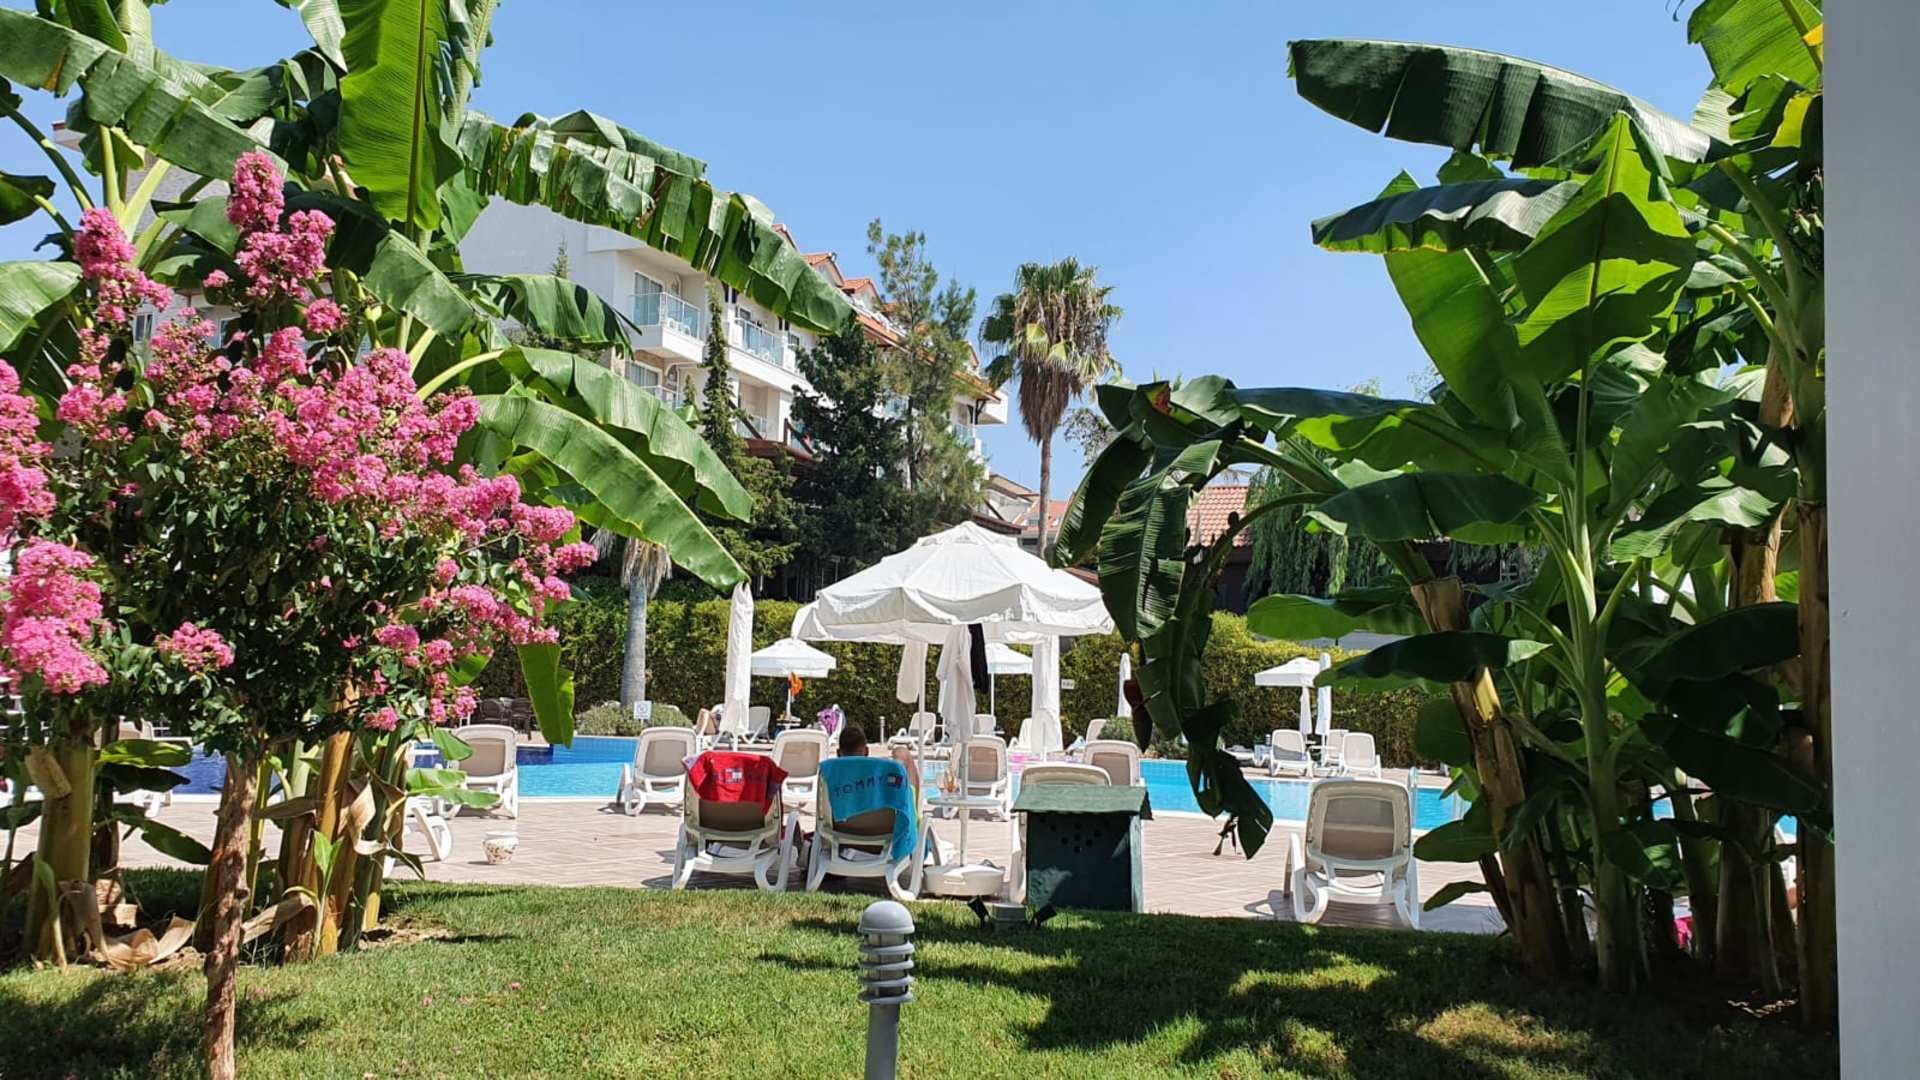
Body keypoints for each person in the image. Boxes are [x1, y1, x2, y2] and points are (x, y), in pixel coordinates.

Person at [837, 723, 922, 802]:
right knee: (902, 752)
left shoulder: (831, 776)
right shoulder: (879, 777)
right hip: (894, 810)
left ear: (838, 753)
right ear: (866, 751)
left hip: (845, 812)